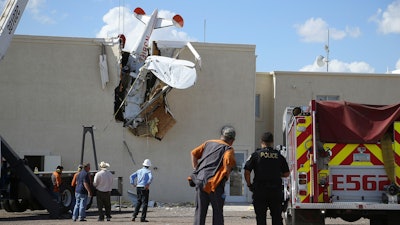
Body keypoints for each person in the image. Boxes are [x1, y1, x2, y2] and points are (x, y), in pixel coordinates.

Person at [190, 125, 237, 225]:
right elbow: (228, 163)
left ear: (221, 136)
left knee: (200, 212)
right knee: (217, 212)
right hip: (214, 184)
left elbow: (194, 153)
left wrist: (196, 169)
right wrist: (226, 177)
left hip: (199, 181)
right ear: (232, 140)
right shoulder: (228, 149)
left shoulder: (208, 143)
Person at [244, 132, 290, 225]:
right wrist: (276, 174)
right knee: (277, 217)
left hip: (260, 190)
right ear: (272, 142)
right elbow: (286, 173)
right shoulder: (279, 156)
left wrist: (249, 185)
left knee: (261, 217)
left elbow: (247, 172)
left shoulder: (256, 155)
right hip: (275, 190)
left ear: (261, 141)